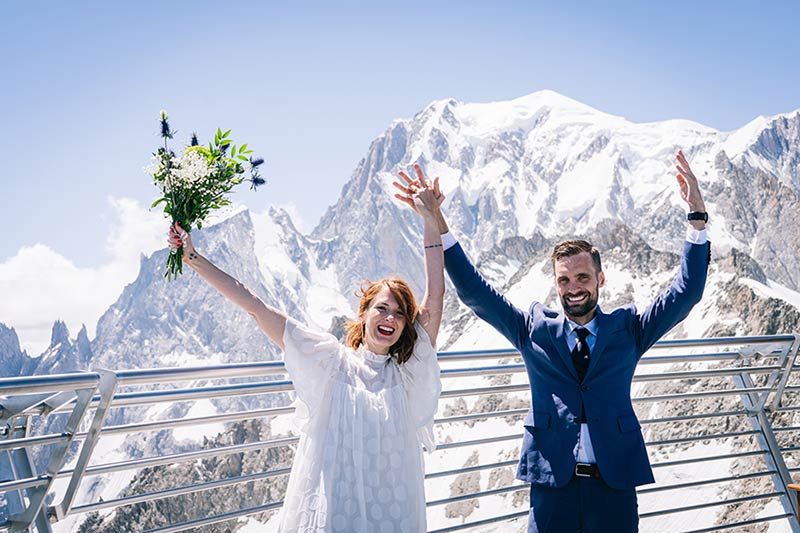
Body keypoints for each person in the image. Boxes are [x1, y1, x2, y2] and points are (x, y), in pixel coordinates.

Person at [394, 151, 710, 532]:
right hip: (552, 485)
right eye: (564, 280)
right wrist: (436, 220)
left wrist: (696, 216)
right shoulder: (534, 329)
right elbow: (476, 293)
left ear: (600, 279)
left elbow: (686, 293)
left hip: (614, 485)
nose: (573, 288)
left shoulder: (629, 330)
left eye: (582, 278)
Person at [167, 168, 445, 533]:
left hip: (393, 511)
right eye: (382, 308)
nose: (390, 318)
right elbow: (256, 307)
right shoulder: (330, 361)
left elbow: (436, 293)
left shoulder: (406, 373)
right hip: (337, 512)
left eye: (398, 313)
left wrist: (429, 218)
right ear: (363, 314)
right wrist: (192, 257)